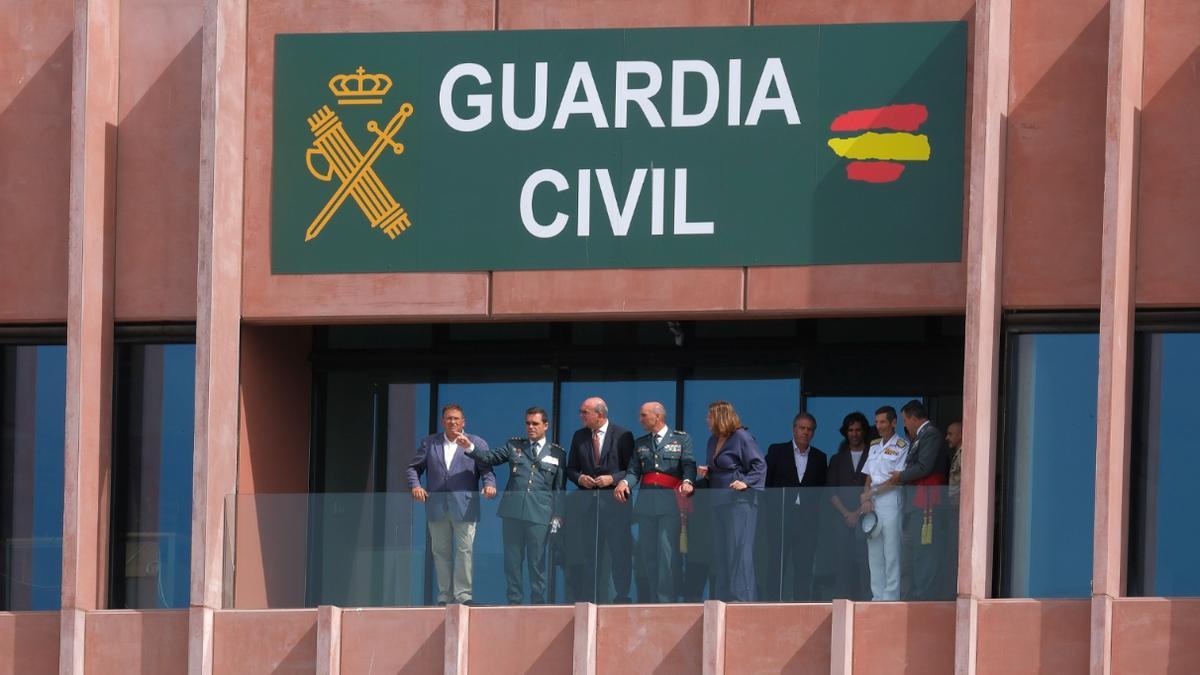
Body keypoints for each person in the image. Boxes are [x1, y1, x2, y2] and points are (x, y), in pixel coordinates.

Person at [464, 407, 566, 605]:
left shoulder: (557, 453)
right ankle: (514, 602)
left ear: (546, 425)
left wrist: (558, 515)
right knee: (512, 562)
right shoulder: (514, 445)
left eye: (535, 424)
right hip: (513, 513)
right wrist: (470, 447)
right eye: (528, 423)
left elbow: (559, 488)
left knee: (537, 563)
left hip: (540, 515)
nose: (530, 427)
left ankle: (538, 603)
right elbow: (490, 458)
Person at [405, 403, 497, 605]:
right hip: (436, 507)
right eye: (448, 418)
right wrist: (415, 486)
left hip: (465, 507)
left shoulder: (475, 442)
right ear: (442, 421)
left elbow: (486, 470)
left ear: (463, 422)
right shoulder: (430, 443)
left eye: (456, 418)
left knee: (464, 551)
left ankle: (463, 596)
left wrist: (489, 485)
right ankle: (445, 596)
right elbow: (413, 469)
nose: (452, 421)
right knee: (441, 552)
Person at [614, 402, 696, 603]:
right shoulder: (640, 442)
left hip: (670, 503)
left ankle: (666, 598)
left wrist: (687, 481)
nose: (640, 419)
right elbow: (634, 471)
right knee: (648, 553)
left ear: (657, 416)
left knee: (667, 553)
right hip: (646, 505)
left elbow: (688, 465)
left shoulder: (681, 439)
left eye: (644, 415)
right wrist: (624, 483)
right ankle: (653, 597)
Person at [565, 397, 635, 603]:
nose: (580, 415)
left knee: (619, 553)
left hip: (616, 505)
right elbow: (570, 468)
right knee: (589, 554)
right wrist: (580, 478)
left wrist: (612, 479)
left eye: (584, 412)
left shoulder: (623, 435)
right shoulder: (579, 436)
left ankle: (621, 596)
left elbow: (632, 470)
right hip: (588, 506)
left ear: (600, 414)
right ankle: (590, 598)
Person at [702, 400, 766, 602]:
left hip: (739, 502)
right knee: (721, 551)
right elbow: (719, 469)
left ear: (719, 417)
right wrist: (707, 473)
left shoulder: (742, 437)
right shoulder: (712, 440)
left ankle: (742, 598)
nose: (706, 419)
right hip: (717, 501)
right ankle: (723, 597)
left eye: (710, 416)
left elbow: (759, 465)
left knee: (739, 548)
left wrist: (745, 482)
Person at [764, 412, 828, 601]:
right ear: (794, 429)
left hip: (807, 520)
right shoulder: (777, 451)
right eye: (802, 428)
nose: (805, 432)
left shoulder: (820, 457)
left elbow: (822, 490)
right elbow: (766, 483)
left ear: (813, 433)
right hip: (781, 516)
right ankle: (773, 604)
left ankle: (801, 604)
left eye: (809, 429)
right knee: (777, 562)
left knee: (804, 564)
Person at [891, 400, 950, 601]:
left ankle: (926, 597)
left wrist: (900, 476)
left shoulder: (930, 434)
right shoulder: (921, 436)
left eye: (905, 420)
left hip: (927, 502)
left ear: (914, 418)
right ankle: (919, 595)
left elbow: (924, 466)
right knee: (917, 551)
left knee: (926, 552)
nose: (905, 425)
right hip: (917, 502)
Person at [861, 406, 908, 601]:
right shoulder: (873, 445)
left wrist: (871, 493)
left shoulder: (902, 445)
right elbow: (869, 477)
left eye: (883, 422)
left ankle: (891, 597)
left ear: (893, 422)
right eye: (877, 422)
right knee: (874, 553)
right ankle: (877, 596)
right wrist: (866, 497)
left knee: (891, 551)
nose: (879, 426)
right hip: (873, 502)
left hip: (890, 500)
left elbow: (897, 479)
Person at [826, 411, 872, 600]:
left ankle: (865, 600)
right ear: (845, 433)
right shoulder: (837, 458)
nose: (854, 433)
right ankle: (842, 601)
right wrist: (847, 514)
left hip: (866, 516)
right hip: (841, 518)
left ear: (864, 432)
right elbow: (830, 491)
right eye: (850, 430)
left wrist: (857, 513)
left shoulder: (873, 455)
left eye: (858, 430)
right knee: (842, 561)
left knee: (865, 561)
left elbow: (875, 487)